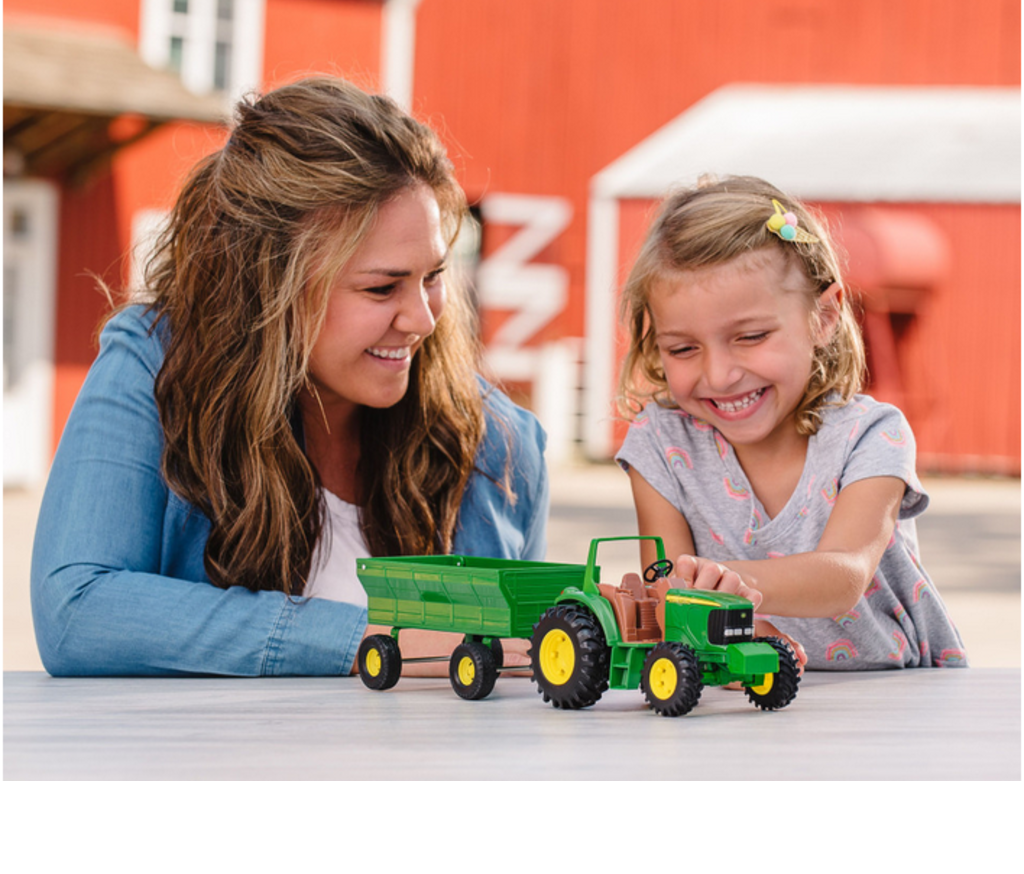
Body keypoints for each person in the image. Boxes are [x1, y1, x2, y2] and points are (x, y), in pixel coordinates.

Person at [31, 76, 548, 677]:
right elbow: (77, 610)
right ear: (268, 284)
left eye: (432, 275)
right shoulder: (155, 371)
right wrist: (369, 641)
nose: (424, 318)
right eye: (382, 287)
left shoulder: (499, 444)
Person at [615, 175, 967, 670]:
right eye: (683, 348)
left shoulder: (871, 436)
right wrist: (729, 634)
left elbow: (844, 576)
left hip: (893, 697)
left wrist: (725, 582)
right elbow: (665, 587)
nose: (719, 374)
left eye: (751, 336)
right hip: (744, 702)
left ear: (823, 317)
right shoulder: (659, 445)